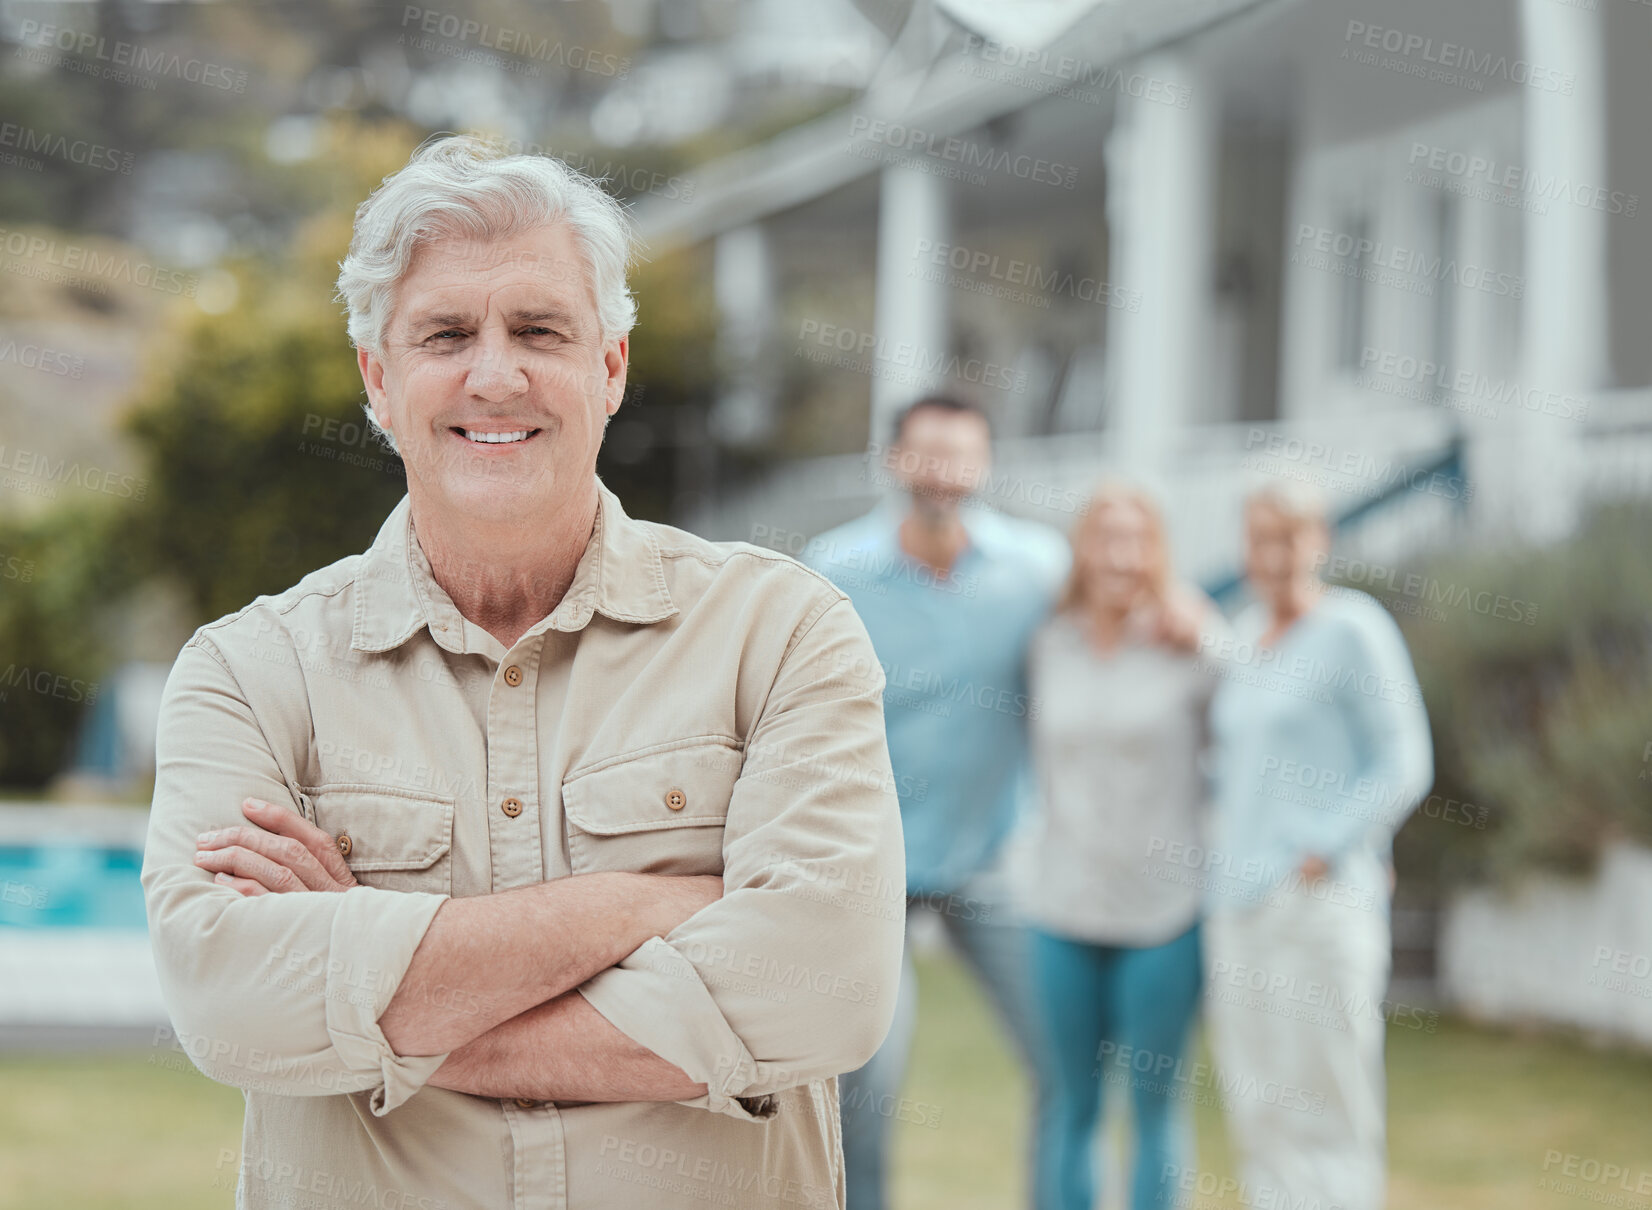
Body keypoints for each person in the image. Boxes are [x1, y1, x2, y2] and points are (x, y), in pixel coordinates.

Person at [140, 134, 905, 1210]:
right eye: (444, 333)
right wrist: (645, 903)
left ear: (609, 366)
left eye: (539, 330)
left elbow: (825, 985)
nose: (494, 374)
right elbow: (231, 1002)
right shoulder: (250, 671)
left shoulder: (780, 632)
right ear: (379, 376)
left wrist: (369, 1010)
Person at [803, 395, 1070, 1210]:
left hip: (992, 856)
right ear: (892, 461)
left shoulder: (1040, 571)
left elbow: (1110, 636)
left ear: (984, 466)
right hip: (872, 866)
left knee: (1066, 1059)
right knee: (863, 1086)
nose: (944, 472)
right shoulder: (832, 570)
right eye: (927, 453)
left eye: (961, 455)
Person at [1200, 482, 1433, 1210]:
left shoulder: (1353, 629)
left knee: (1329, 1100)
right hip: (1237, 907)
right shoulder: (1239, 639)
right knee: (1258, 1101)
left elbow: (1403, 760)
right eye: (1258, 538)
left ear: (1318, 541)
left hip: (1317, 900)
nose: (1272, 556)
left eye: (1287, 538)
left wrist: (1328, 844)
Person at [1022, 483, 1227, 1210]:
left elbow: (1259, 736)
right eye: (1105, 536)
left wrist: (1211, 634)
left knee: (1154, 1106)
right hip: (1061, 904)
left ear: (1157, 552)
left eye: (1137, 538)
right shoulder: (1049, 644)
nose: (1120, 554)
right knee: (1070, 1104)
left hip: (1163, 913)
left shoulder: (1192, 645)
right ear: (1082, 548)